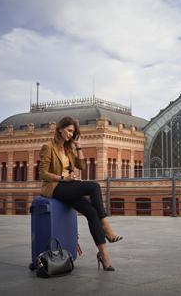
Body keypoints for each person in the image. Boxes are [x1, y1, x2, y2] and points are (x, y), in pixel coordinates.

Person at [39, 116, 123, 271]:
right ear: (60, 129)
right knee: (94, 186)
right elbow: (43, 173)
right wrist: (63, 177)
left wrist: (78, 146)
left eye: (73, 132)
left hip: (68, 186)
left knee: (91, 212)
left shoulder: (69, 149)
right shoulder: (48, 147)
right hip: (55, 187)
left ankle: (104, 256)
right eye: (69, 131)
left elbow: (83, 166)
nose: (71, 134)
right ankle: (106, 227)